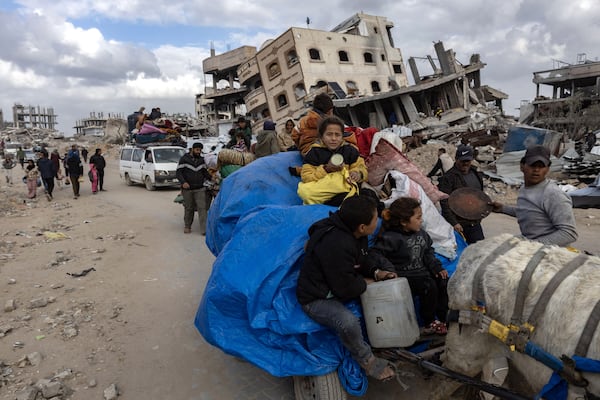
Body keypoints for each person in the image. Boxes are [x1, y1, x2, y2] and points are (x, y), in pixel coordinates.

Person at [296, 195, 397, 381]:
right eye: (375, 219)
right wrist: (367, 282)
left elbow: (361, 259)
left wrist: (376, 273)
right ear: (362, 227)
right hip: (316, 297)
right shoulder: (337, 245)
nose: (378, 221)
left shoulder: (355, 234)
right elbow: (345, 288)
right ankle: (367, 360)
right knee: (348, 322)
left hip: (338, 280)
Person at [367, 197, 448, 335]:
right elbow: (376, 254)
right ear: (404, 222)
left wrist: (436, 267)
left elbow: (428, 252)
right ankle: (429, 322)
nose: (421, 221)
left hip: (422, 272)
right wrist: (389, 270)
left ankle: (444, 317)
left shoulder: (422, 234)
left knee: (443, 281)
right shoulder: (391, 238)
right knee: (429, 286)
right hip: (406, 277)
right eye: (418, 218)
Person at [491, 145, 578, 247]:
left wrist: (532, 246)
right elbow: (529, 213)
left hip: (550, 252)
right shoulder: (524, 188)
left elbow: (569, 233)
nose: (536, 170)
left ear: (548, 169)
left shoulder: (553, 194)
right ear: (522, 166)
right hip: (531, 246)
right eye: (532, 165)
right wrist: (503, 209)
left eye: (541, 166)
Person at [298, 116, 367, 206]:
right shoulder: (314, 153)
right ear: (322, 136)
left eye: (337, 135)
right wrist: (326, 169)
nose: (333, 138)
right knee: (304, 191)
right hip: (325, 191)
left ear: (342, 136)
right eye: (329, 134)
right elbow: (306, 177)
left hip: (345, 189)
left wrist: (358, 174)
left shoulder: (349, 150)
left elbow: (362, 168)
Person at [438, 144, 486, 244]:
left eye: (467, 161)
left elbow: (479, 195)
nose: (465, 164)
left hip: (474, 223)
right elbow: (444, 202)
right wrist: (454, 223)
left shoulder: (475, 173)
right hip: (459, 224)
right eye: (462, 161)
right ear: (456, 159)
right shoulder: (449, 178)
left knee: (479, 251)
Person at [176, 142, 212, 234]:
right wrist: (183, 182)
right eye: (197, 150)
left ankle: (204, 229)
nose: (198, 152)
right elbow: (179, 173)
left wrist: (212, 178)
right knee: (189, 208)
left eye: (200, 150)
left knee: (202, 208)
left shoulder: (201, 160)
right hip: (187, 189)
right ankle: (187, 226)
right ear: (192, 149)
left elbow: (204, 172)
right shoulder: (184, 159)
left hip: (200, 188)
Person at [292, 93, 334, 157]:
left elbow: (294, 135)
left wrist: (301, 146)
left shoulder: (303, 120)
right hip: (320, 153)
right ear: (329, 111)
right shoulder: (326, 123)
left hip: (305, 153)